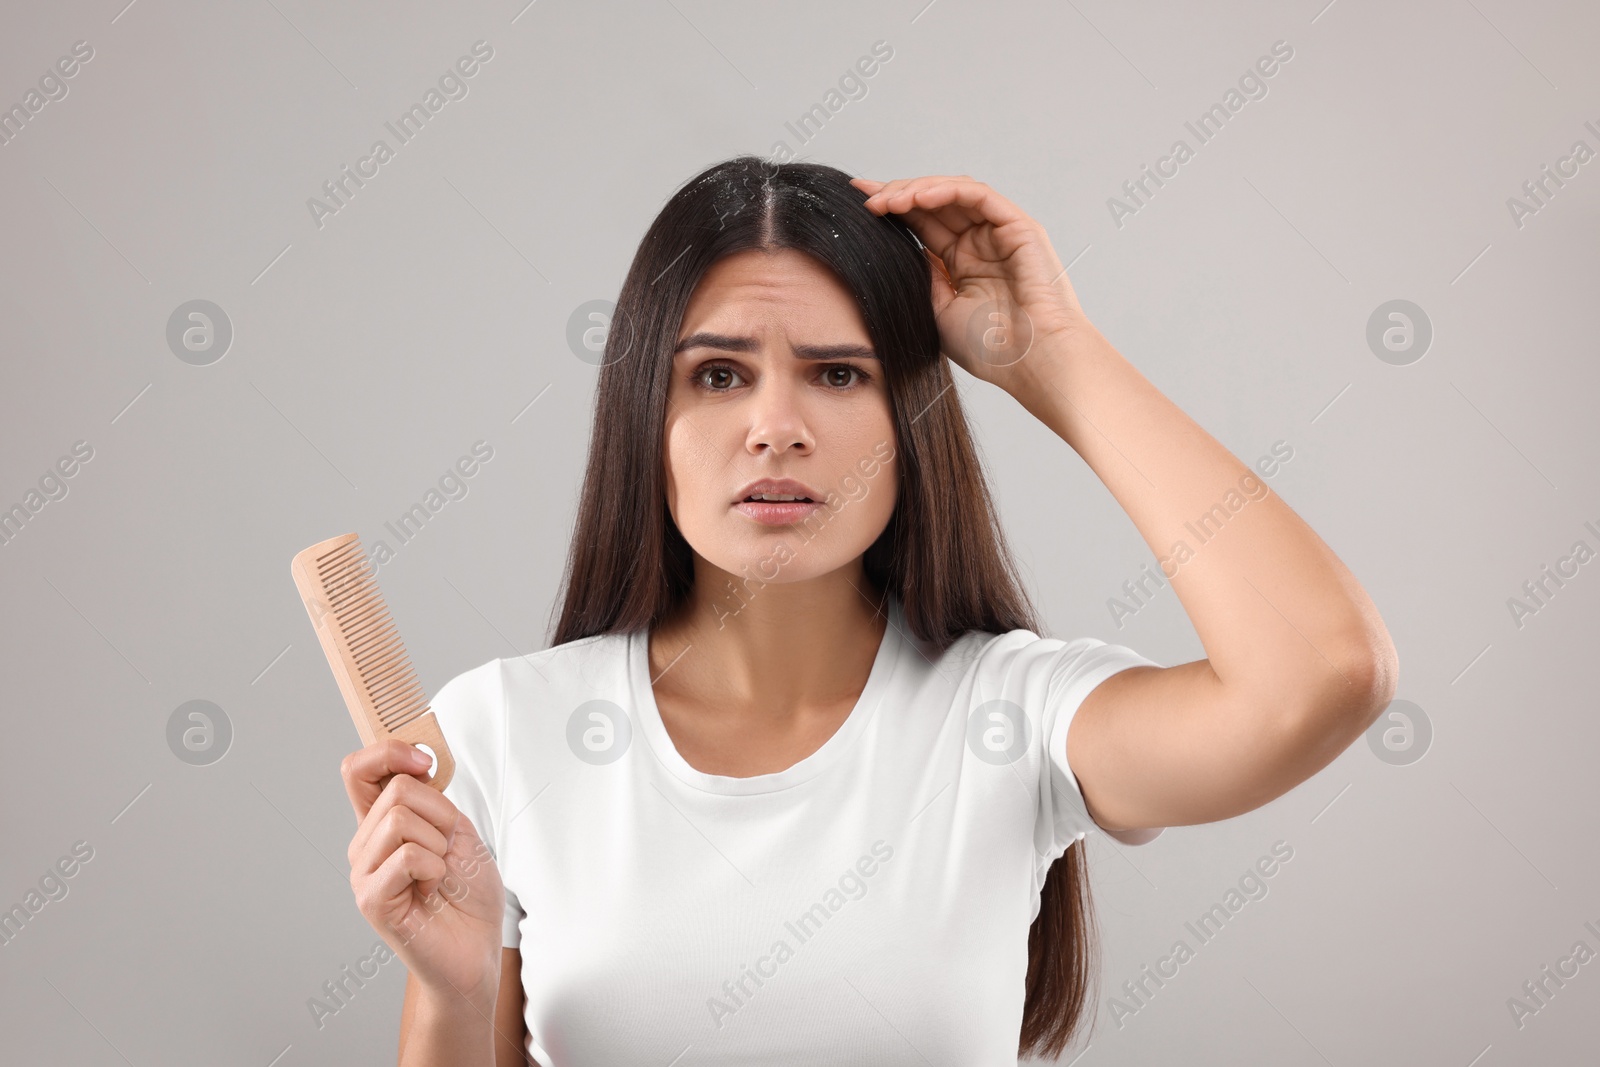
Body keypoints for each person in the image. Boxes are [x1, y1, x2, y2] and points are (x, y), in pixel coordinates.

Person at [340, 157, 1398, 1066]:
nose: (774, 427)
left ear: (911, 418)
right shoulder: (494, 732)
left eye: (838, 373)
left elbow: (1321, 671)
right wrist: (453, 988)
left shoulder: (1015, 716)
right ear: (643, 419)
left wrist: (1051, 354)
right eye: (716, 373)